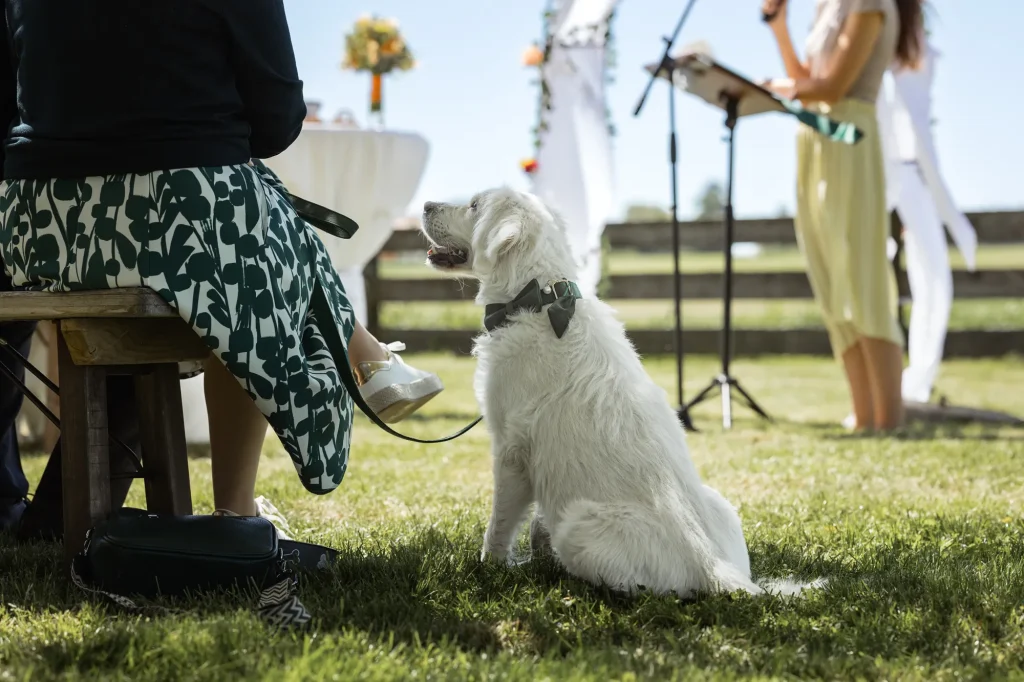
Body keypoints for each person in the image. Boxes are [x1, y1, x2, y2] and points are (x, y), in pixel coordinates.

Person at [0, 0, 442, 520]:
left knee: (249, 218)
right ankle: (238, 511)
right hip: (172, 215)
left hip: (39, 224)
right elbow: (277, 119)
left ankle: (368, 356)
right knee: (247, 255)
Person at [763, 0, 925, 431]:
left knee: (863, 279)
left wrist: (770, 88)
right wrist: (778, 26)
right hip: (815, 138)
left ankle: (888, 421)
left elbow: (833, 88)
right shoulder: (827, 6)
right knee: (832, 282)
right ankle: (865, 417)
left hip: (850, 137)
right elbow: (807, 81)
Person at [876, 35, 977, 405]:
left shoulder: (915, 48)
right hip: (882, 167)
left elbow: (916, 123)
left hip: (916, 174)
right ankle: (885, 384)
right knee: (879, 279)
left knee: (934, 280)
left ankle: (916, 381)